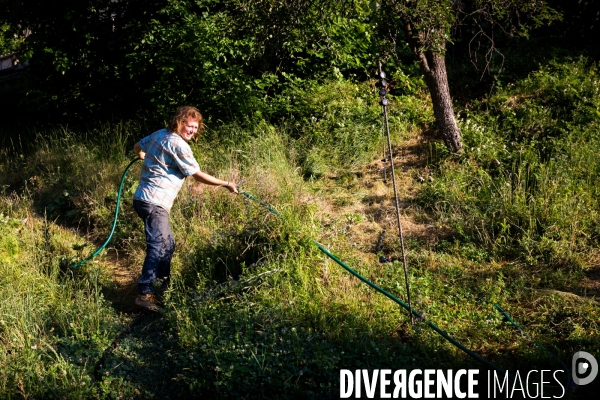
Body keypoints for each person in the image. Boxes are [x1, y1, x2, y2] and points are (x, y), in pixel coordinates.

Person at [132, 106, 238, 311]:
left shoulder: (159, 134)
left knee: (168, 243)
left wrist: (141, 154)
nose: (192, 130)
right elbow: (196, 175)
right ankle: (145, 293)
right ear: (179, 123)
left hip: (142, 199)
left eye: (195, 127)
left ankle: (164, 287)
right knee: (158, 244)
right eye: (189, 126)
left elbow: (137, 145)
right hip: (155, 202)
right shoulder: (178, 145)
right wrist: (226, 184)